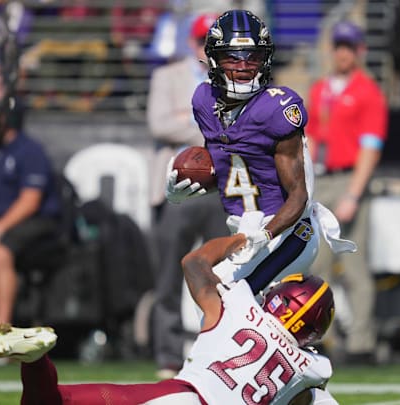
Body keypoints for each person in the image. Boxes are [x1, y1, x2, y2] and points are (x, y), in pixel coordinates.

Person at [0, 234, 338, 405]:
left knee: (59, 401)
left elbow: (193, 264)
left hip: (179, 398)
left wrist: (237, 240)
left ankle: (36, 360)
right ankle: (36, 362)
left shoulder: (240, 305)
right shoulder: (312, 369)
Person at [165, 9, 356, 295]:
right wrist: (186, 190)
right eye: (233, 57)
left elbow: (299, 196)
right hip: (247, 233)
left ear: (264, 60)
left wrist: (263, 234)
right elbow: (230, 173)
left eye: (251, 58)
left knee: (221, 296)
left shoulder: (276, 109)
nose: (243, 66)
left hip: (289, 234)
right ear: (214, 59)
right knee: (236, 312)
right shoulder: (205, 100)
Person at [147, 12, 230, 378]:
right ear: (191, 43)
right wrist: (206, 127)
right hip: (177, 185)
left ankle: (220, 350)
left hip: (220, 187)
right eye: (201, 40)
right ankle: (167, 353)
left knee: (223, 274)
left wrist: (189, 121)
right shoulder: (168, 76)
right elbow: (159, 123)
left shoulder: (233, 80)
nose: (205, 48)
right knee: (167, 274)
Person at [304, 20, 387, 364]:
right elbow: (308, 140)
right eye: (339, 46)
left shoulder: (368, 91)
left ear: (359, 51)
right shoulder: (320, 89)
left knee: (354, 265)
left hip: (349, 177)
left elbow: (370, 146)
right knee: (318, 265)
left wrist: (354, 192)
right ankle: (321, 337)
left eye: (349, 47)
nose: (342, 53)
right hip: (321, 180)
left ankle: (362, 341)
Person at [0, 89, 61, 329]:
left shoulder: (30, 150)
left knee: (1, 252)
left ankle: (1, 329)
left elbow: (30, 201)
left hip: (36, 221)